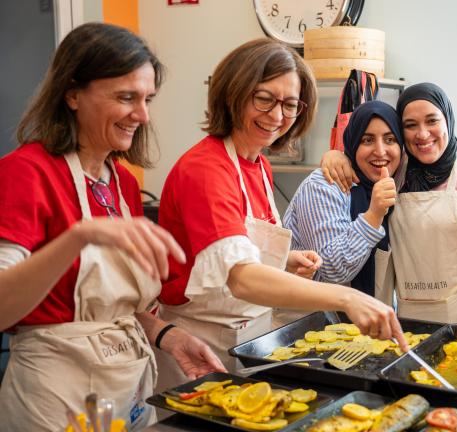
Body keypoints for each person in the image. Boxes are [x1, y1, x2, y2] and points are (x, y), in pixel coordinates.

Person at [0, 23, 225, 431]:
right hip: (55, 397)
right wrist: (79, 237)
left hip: (128, 389)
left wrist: (168, 335)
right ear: (72, 94)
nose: (143, 115)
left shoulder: (120, 182)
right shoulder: (25, 173)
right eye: (126, 98)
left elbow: (115, 309)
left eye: (147, 99)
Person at [156, 39, 406, 390]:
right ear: (233, 92)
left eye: (290, 105)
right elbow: (240, 278)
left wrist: (284, 260)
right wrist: (347, 297)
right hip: (203, 348)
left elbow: (231, 251)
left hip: (252, 339)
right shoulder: (206, 170)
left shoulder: (257, 165)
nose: (276, 116)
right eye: (264, 99)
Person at [321, 82, 457, 332]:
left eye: (432, 121)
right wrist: (336, 155)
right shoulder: (397, 170)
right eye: (410, 125)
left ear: (448, 120)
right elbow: (363, 156)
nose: (422, 134)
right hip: (419, 323)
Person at [283, 101, 403, 303]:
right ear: (353, 142)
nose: (380, 151)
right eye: (367, 140)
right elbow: (331, 269)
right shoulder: (325, 185)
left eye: (390, 139)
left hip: (369, 320)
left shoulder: (395, 181)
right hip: (313, 319)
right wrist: (373, 214)